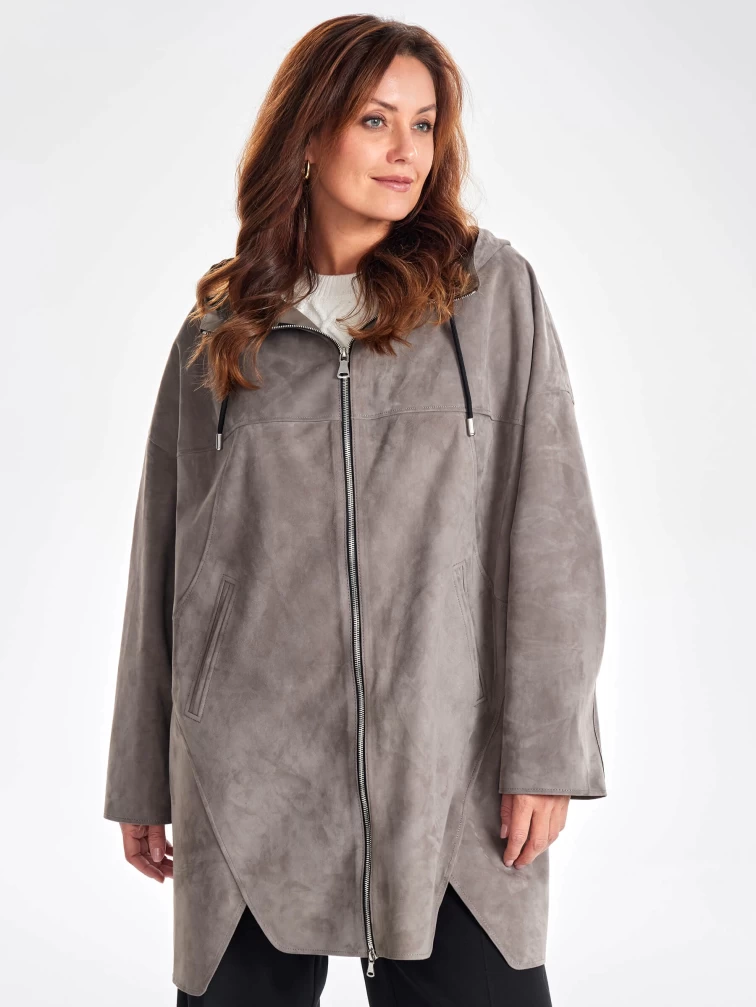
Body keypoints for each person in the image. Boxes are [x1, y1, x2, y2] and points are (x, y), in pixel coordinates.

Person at [102, 14, 608, 1006]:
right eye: (375, 120)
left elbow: (552, 532)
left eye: (423, 124)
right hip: (248, 773)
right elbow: (164, 559)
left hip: (447, 773)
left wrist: (547, 752)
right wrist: (141, 775)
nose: (405, 149)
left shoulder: (489, 297)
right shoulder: (222, 329)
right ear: (308, 130)